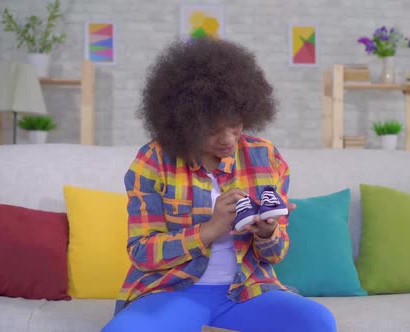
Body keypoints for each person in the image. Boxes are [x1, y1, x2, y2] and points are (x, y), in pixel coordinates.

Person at [102, 38, 336, 332]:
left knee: (317, 322)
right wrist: (210, 229)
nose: (227, 139)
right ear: (185, 123)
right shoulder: (153, 160)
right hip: (172, 292)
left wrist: (268, 232)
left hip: (247, 292)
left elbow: (275, 254)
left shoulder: (266, 157)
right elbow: (141, 252)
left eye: (235, 124)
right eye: (212, 130)